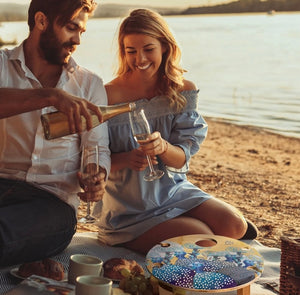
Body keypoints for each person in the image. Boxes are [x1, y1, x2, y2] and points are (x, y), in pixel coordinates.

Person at [93, 8, 257, 255]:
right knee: (204, 239)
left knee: (235, 225)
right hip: (130, 208)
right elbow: (92, 159)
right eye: (131, 51)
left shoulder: (182, 91)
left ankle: (181, 225)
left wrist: (163, 148)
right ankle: (123, 238)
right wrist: (127, 159)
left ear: (165, 47)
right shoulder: (107, 96)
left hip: (173, 191)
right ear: (123, 52)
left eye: (148, 49)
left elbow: (182, 157)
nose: (140, 59)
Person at [0, 0, 110, 267]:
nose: (78, 40)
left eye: (82, 31)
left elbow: (97, 148)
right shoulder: (1, 65)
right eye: (72, 28)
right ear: (41, 21)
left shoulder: (89, 84)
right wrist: (49, 96)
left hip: (53, 202)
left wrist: (97, 174)